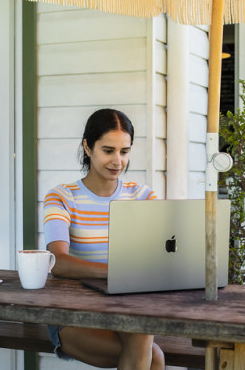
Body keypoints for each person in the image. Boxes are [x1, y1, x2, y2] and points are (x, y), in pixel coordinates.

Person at [42, 108, 164, 370]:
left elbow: (160, 258)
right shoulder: (62, 197)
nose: (118, 161)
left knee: (147, 342)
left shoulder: (143, 197)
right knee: (154, 358)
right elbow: (58, 262)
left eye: (125, 151)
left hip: (127, 311)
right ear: (88, 147)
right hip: (73, 315)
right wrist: (117, 272)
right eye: (108, 151)